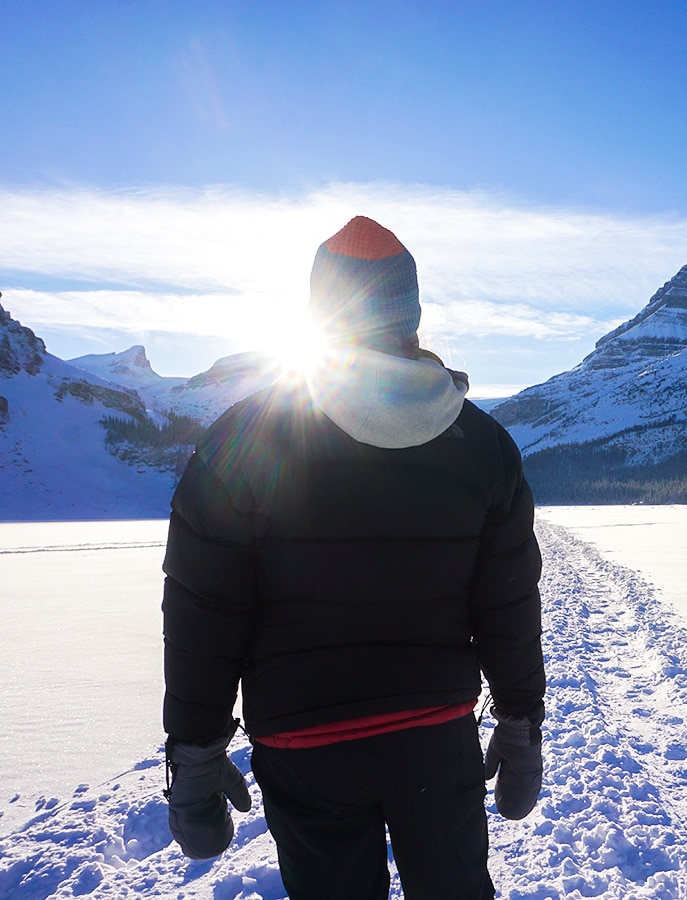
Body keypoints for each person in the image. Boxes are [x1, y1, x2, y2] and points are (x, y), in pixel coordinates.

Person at [161, 216, 545, 899]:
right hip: (433, 734)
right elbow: (508, 603)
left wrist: (195, 750)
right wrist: (519, 725)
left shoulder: (243, 439)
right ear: (411, 315)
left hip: (305, 745)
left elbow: (205, 611)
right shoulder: (481, 446)